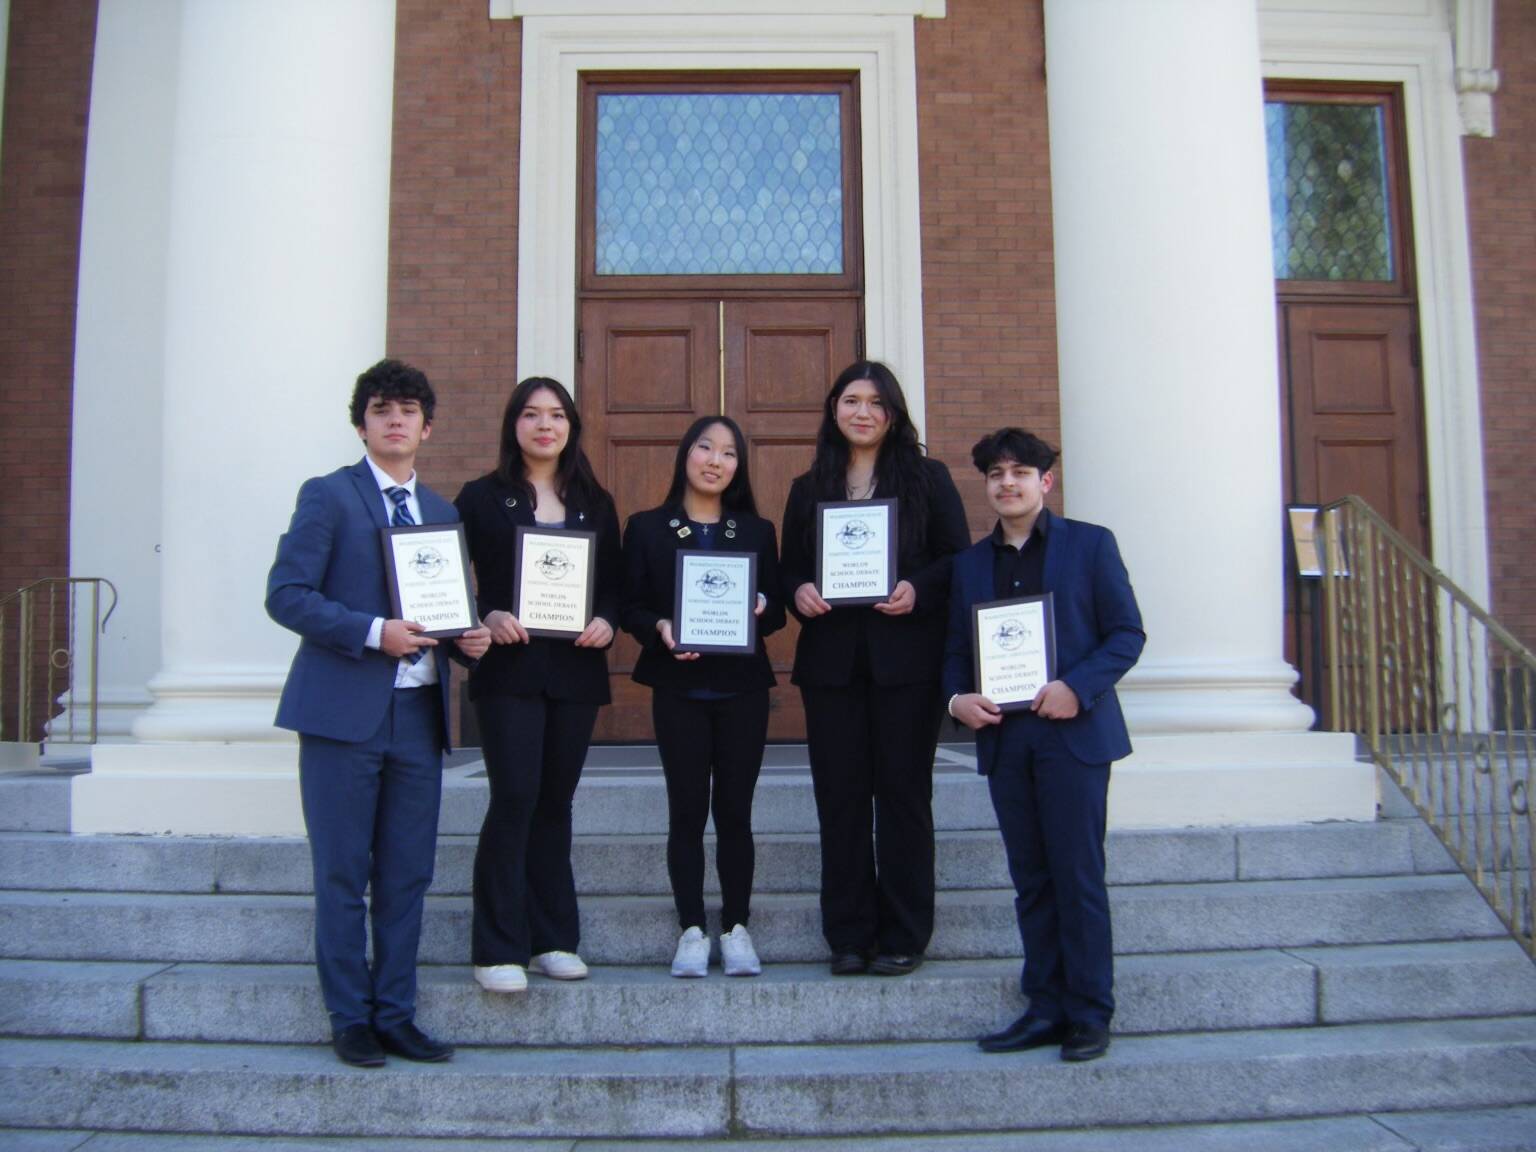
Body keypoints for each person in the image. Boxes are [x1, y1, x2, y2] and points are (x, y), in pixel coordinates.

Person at [266, 358, 492, 1068]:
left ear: (428, 427)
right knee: (341, 872)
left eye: (408, 410)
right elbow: (288, 595)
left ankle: (397, 1013)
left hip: (419, 720)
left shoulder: (441, 513)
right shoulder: (328, 497)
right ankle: (349, 1018)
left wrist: (470, 640)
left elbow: (443, 617)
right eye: (381, 408)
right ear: (362, 423)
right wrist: (373, 632)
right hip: (342, 716)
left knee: (406, 874)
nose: (395, 420)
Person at [943, 428, 1145, 1063]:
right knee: (1030, 879)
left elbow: (1126, 634)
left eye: (1021, 472)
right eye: (997, 473)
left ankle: (1089, 1012)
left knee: (1077, 876)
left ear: (1045, 482)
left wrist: (1076, 688)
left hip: (1073, 738)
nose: (1008, 483)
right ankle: (1045, 1006)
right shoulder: (970, 565)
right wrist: (957, 701)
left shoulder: (1090, 545)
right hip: (1007, 743)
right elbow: (954, 655)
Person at [781, 360, 970, 977]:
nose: (862, 412)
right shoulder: (808, 488)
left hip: (906, 667)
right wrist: (800, 592)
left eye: (875, 402)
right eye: (851, 400)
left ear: (893, 414)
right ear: (833, 409)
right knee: (839, 800)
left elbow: (956, 561)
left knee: (903, 796)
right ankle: (848, 935)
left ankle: (905, 934)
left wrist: (917, 588)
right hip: (832, 667)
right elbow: (788, 569)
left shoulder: (928, 478)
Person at [454, 377, 622, 994]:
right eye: (531, 414)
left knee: (556, 803)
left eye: (556, 415)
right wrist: (482, 616)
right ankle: (498, 945)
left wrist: (606, 619)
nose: (544, 425)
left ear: (571, 426)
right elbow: (447, 576)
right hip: (509, 673)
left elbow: (614, 584)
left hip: (574, 674)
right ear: (513, 425)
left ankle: (553, 938)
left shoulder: (595, 502)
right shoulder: (480, 497)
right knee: (515, 797)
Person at [620, 416, 786, 978]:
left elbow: (779, 608)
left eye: (729, 453)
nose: (716, 460)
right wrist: (661, 627)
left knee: (735, 812)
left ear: (739, 467)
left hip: (741, 690)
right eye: (705, 448)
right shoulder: (646, 527)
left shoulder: (756, 530)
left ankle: (737, 926)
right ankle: (691, 927)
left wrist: (761, 604)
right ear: (685, 455)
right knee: (687, 811)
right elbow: (630, 606)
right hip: (679, 689)